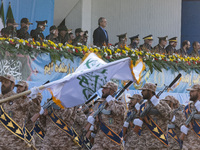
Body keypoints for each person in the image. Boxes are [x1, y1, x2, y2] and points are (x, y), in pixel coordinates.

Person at [0, 75, 38, 149]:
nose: (3, 84)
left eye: (6, 82)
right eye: (2, 82)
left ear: (12, 85)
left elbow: (35, 111)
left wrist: (35, 99)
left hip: (14, 143)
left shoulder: (19, 99)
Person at [133, 83, 172, 149]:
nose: (141, 92)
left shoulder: (162, 104)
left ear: (150, 91)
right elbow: (137, 119)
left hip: (158, 142)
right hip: (143, 143)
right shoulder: (143, 106)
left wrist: (156, 104)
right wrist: (137, 121)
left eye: (144, 90)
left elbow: (169, 116)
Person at [87, 81, 125, 150]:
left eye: (105, 88)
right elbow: (99, 124)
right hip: (99, 141)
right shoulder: (102, 106)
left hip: (112, 142)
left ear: (111, 91)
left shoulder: (119, 105)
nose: (102, 90)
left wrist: (110, 101)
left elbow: (118, 111)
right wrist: (94, 122)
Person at [179, 84, 200, 149]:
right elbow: (182, 121)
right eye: (190, 91)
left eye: (192, 91)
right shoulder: (187, 107)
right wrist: (183, 127)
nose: (190, 93)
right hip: (187, 144)